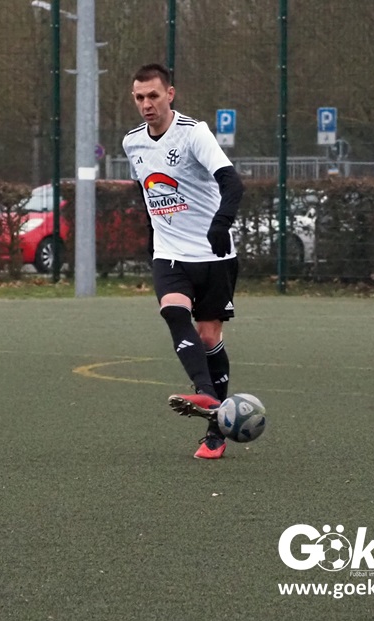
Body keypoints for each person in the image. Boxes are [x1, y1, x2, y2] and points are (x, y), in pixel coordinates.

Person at [121, 63, 245, 460]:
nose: (146, 104)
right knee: (174, 312)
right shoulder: (132, 143)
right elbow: (146, 193)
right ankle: (205, 393)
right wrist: (151, 238)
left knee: (208, 338)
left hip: (214, 255)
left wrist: (221, 224)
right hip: (170, 254)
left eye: (153, 96)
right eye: (139, 97)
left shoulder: (194, 133)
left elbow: (232, 182)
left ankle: (216, 431)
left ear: (169, 94)